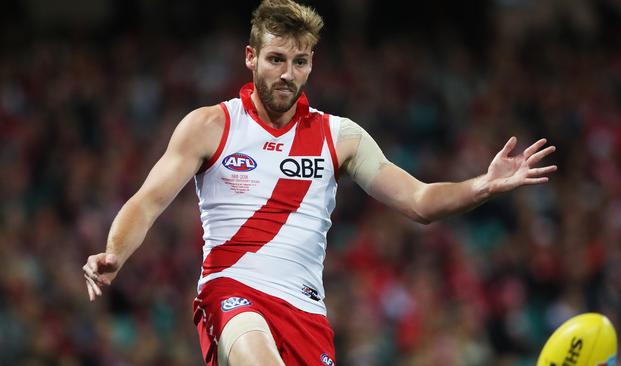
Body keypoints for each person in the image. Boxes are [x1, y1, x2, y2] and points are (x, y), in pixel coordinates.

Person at [82, 0, 557, 365]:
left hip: (306, 315)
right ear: (250, 57)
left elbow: (419, 201)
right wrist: (115, 251)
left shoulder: (341, 137)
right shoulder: (210, 125)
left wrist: (484, 186)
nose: (288, 74)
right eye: (275, 59)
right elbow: (147, 201)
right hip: (232, 293)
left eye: (301, 61)